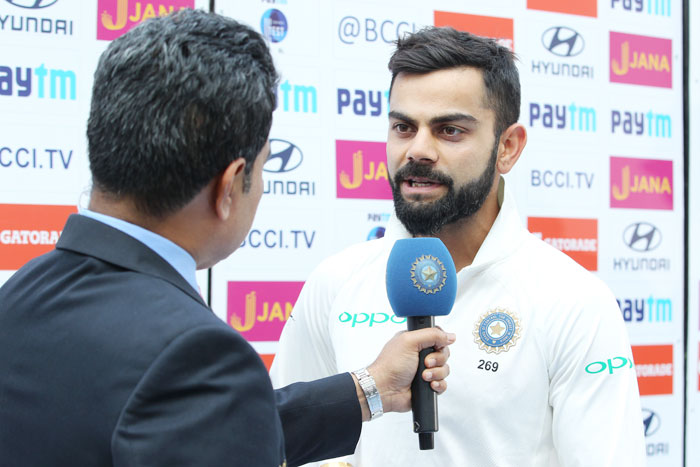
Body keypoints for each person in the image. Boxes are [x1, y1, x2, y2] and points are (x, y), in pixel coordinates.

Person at [0, 11, 456, 467]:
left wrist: (370, 387)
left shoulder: (21, 294)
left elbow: (187, 424)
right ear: (229, 184)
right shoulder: (195, 354)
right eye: (261, 169)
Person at [270, 27, 646, 466]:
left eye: (449, 130)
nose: (418, 150)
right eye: (403, 127)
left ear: (507, 147)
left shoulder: (575, 301)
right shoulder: (335, 281)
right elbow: (280, 444)